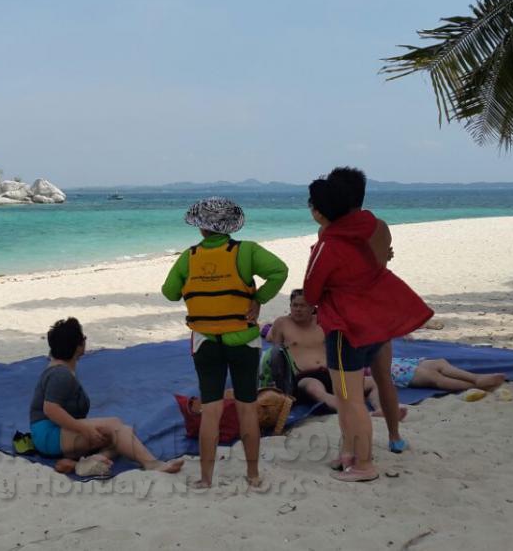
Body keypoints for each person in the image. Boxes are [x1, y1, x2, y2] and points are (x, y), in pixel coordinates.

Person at [303, 178, 433, 482]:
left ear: (321, 211)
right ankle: (350, 452)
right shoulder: (375, 227)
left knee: (349, 398)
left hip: (346, 328)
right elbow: (382, 259)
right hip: (377, 321)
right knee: (375, 382)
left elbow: (310, 292)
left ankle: (363, 464)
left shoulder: (329, 243)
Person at [162, 197, 288, 488]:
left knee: (211, 409)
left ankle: (206, 479)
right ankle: (253, 475)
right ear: (230, 226)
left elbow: (170, 292)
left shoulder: (188, 257)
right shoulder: (247, 251)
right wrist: (259, 298)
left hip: (205, 342)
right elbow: (279, 271)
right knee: (247, 407)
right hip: (243, 341)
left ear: (201, 228)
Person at [29, 317, 184, 476]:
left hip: (54, 434)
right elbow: (50, 409)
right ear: (77, 346)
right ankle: (152, 464)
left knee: (123, 434)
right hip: (48, 435)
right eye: (83, 338)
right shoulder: (60, 375)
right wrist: (83, 428)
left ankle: (86, 462)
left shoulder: (60, 368)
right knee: (116, 427)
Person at [326, 167, 406, 453]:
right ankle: (395, 436)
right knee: (383, 376)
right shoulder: (381, 227)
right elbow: (382, 259)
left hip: (350, 316)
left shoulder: (332, 230)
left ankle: (354, 448)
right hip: (379, 313)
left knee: (349, 389)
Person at [267, 290, 401, 418]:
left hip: (331, 372)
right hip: (305, 377)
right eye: (294, 305)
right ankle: (348, 411)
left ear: (312, 307)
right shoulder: (282, 323)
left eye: (302, 306)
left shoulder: (322, 321)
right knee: (315, 389)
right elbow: (276, 352)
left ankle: (381, 409)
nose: (298, 309)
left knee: (373, 382)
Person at [389, 357, 505, 391]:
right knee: (432, 376)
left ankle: (477, 378)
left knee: (440, 363)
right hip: (381, 368)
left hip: (393, 361)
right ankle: (477, 386)